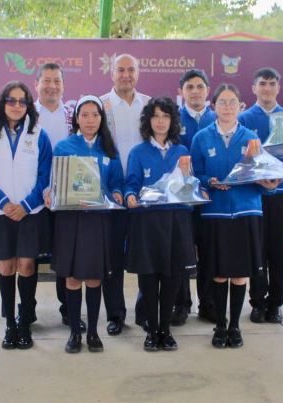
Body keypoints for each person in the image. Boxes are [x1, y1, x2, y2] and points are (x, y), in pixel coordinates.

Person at [190, 83, 281, 348]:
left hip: (246, 213)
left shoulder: (251, 139)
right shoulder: (202, 138)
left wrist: (270, 184)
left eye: (232, 102)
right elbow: (194, 177)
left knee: (240, 274)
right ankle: (219, 325)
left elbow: (262, 175)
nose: (227, 107)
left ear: (240, 107)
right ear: (213, 106)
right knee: (218, 273)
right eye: (222, 102)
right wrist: (209, 182)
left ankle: (235, 326)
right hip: (214, 214)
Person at [0, 81, 52, 350]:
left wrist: (26, 205)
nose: (17, 105)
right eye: (11, 100)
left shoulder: (39, 134)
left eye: (22, 101)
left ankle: (24, 323)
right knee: (6, 267)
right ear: (2, 103)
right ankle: (10, 326)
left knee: (27, 267)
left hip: (30, 212)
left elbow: (46, 176)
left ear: (29, 105)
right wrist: (5, 203)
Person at [48, 95, 122, 353]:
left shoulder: (109, 149)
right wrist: (51, 193)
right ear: (76, 119)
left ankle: (92, 332)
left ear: (101, 119)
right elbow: (54, 184)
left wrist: (118, 194)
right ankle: (74, 333)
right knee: (71, 278)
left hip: (98, 221)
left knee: (93, 278)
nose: (90, 120)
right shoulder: (63, 148)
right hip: (70, 220)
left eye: (95, 115)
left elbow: (116, 183)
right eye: (85, 115)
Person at [238, 67, 283, 324]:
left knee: (277, 249)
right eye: (262, 83)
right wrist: (258, 177)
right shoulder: (244, 119)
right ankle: (257, 301)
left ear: (279, 88)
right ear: (254, 88)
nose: (267, 88)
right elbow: (242, 161)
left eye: (271, 83)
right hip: (256, 192)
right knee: (256, 248)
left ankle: (275, 303)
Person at [125, 97, 196, 351]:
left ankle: (166, 330)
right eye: (155, 116)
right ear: (148, 121)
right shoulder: (138, 152)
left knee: (172, 279)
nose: (161, 121)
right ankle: (151, 330)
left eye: (166, 116)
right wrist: (130, 195)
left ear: (173, 121)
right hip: (147, 223)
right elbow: (131, 183)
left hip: (177, 222)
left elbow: (189, 187)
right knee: (149, 279)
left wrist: (191, 183)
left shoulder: (182, 152)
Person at [100, 54, 151, 336]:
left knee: (144, 253)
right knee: (113, 258)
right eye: (120, 69)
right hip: (113, 194)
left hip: (144, 193)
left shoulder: (149, 104)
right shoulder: (101, 106)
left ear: (138, 73)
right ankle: (116, 314)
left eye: (131, 69)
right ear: (112, 73)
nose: (126, 75)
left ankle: (144, 311)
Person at [33, 62, 77, 328]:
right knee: (29, 257)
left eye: (57, 81)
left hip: (67, 197)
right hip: (33, 197)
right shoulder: (27, 115)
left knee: (65, 254)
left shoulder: (73, 114)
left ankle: (68, 310)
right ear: (36, 84)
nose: (51, 86)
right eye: (46, 80)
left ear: (63, 85)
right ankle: (26, 311)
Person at [174, 68, 215, 325]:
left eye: (200, 86)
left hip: (211, 197)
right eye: (190, 87)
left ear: (207, 91)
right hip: (181, 199)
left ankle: (208, 303)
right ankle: (181, 304)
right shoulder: (172, 119)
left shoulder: (217, 117)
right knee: (181, 250)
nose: (195, 91)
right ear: (181, 92)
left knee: (209, 250)